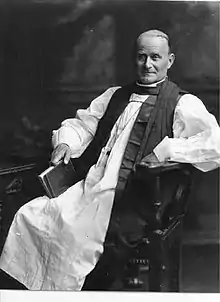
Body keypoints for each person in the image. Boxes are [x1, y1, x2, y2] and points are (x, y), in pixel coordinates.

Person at [0, 29, 220, 291]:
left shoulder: (182, 103)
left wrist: (166, 150)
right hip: (91, 185)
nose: (147, 64)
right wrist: (65, 143)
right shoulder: (115, 95)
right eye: (141, 57)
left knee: (79, 237)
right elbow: (84, 124)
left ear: (169, 61)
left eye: (155, 57)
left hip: (136, 196)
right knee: (32, 215)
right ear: (134, 59)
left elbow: (214, 143)